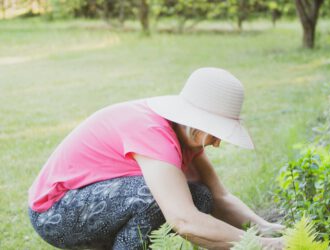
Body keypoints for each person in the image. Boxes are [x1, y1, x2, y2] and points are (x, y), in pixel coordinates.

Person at [28, 67, 285, 249]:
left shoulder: (185, 137)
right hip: (54, 213)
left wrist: (271, 231)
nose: (218, 143)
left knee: (201, 197)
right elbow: (183, 220)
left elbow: (220, 197)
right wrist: (263, 246)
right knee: (154, 199)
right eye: (217, 133)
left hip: (93, 203)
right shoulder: (152, 133)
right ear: (195, 125)